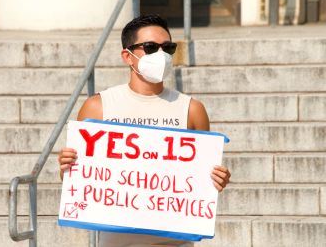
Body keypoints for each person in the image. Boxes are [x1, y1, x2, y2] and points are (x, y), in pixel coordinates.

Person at [58, 14, 231, 247]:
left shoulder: (192, 110)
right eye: (150, 47)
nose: (161, 55)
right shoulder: (97, 107)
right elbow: (80, 180)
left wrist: (216, 180)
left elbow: (201, 182)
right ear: (127, 57)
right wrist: (67, 167)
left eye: (167, 48)